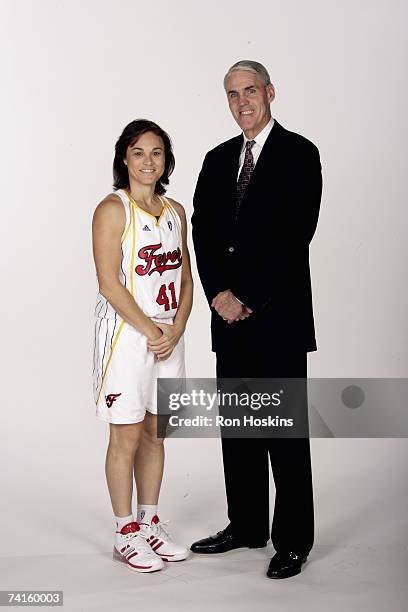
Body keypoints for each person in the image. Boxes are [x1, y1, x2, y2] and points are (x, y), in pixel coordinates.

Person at [190, 60, 322, 579]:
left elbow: (296, 236)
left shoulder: (299, 154)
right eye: (232, 94)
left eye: (250, 91)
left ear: (270, 92)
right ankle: (246, 525)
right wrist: (220, 295)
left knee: (284, 433)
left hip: (278, 318)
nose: (242, 101)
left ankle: (292, 541)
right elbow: (202, 232)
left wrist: (245, 294)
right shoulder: (217, 158)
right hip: (229, 319)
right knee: (239, 430)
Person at [92, 119, 193, 573]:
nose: (148, 161)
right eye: (138, 152)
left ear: (166, 160)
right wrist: (151, 332)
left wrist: (177, 327)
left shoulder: (175, 211)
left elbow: (187, 279)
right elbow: (109, 284)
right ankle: (125, 531)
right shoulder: (113, 209)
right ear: (124, 159)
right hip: (127, 338)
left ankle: (150, 522)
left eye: (156, 152)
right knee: (126, 434)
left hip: (169, 336)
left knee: (156, 431)